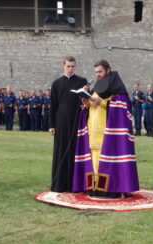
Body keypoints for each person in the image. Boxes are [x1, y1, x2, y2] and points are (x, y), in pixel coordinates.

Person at [72, 59, 139, 198]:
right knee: (94, 159)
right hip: (92, 131)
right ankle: (94, 188)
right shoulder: (97, 87)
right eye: (96, 72)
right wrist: (86, 101)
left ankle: (110, 189)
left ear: (108, 70)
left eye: (100, 71)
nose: (98, 75)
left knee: (106, 159)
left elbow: (121, 109)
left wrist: (101, 103)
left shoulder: (117, 89)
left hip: (109, 135)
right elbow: (91, 107)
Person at [49, 56, 87, 192]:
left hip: (77, 121)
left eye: (73, 66)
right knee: (61, 151)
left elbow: (86, 103)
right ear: (63, 66)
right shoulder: (56, 83)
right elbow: (53, 105)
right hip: (61, 122)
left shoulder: (82, 81)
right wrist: (51, 124)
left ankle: (76, 184)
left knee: (76, 151)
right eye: (68, 66)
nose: (70, 69)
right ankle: (60, 184)